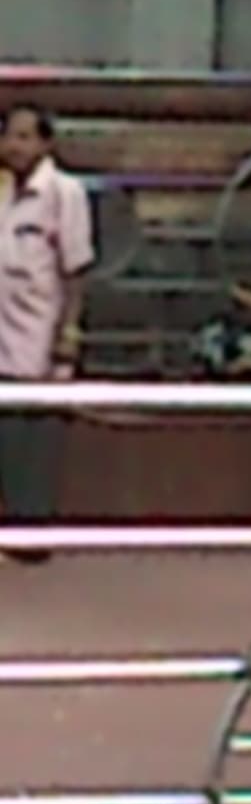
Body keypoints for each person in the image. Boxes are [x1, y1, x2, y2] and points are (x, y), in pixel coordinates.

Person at [0, 104, 94, 559]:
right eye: (8, 136)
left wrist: (68, 335)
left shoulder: (65, 192)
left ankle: (32, 534)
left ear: (44, 142)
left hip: (39, 330)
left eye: (24, 136)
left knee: (33, 439)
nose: (14, 146)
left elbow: (75, 270)